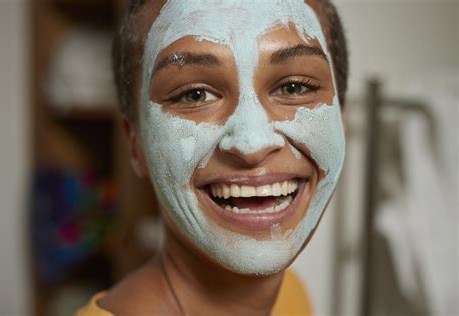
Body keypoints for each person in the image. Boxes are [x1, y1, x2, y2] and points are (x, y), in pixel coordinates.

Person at [77, 0, 348, 314]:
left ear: (342, 121)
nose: (252, 143)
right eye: (195, 95)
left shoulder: (292, 295)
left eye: (294, 87)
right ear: (134, 143)